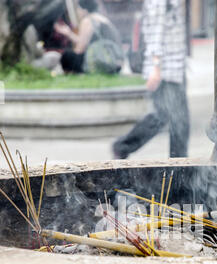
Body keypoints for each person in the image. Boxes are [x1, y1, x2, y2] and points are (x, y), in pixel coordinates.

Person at [113, 0, 190, 159]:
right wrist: (156, 68)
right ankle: (179, 169)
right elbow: (155, 33)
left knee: (166, 118)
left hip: (174, 69)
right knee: (178, 122)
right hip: (165, 70)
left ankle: (123, 146)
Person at [54, 0, 119, 73]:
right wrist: (69, 33)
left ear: (84, 10)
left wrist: (68, 34)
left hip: (99, 59)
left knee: (67, 56)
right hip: (114, 59)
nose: (77, 12)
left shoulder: (88, 20)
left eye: (78, 9)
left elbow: (80, 48)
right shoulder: (102, 19)